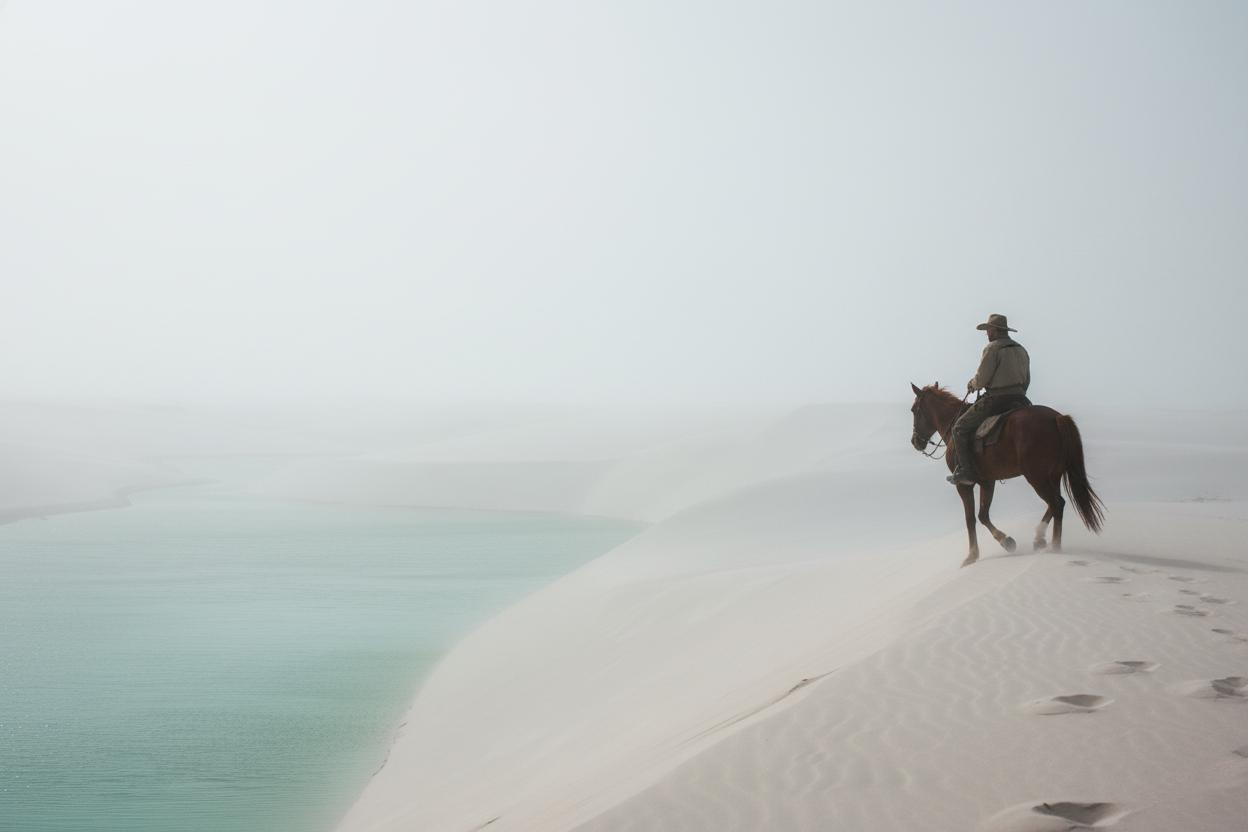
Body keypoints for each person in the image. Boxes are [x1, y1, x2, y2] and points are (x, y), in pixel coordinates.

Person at [947, 314, 1032, 486]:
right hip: (1021, 399)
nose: (987, 334)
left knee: (959, 428)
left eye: (988, 330)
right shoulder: (1021, 349)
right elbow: (1027, 379)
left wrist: (972, 384)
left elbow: (982, 379)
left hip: (997, 399)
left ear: (994, 330)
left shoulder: (992, 348)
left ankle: (967, 472)